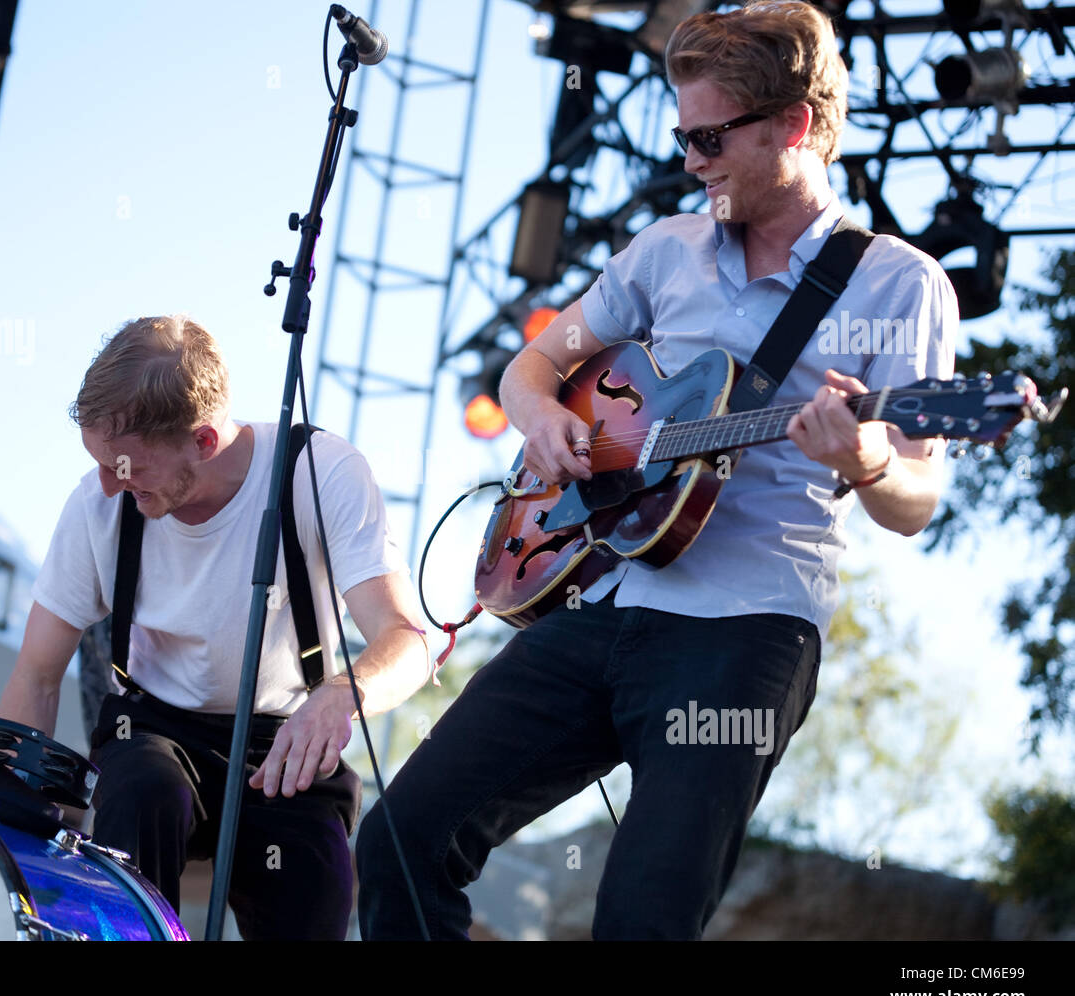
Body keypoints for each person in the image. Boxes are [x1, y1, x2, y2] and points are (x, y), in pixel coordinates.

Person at [356, 1, 958, 940]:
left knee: (642, 920)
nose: (689, 160)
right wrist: (546, 416)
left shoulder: (899, 282)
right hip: (600, 600)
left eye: (710, 137)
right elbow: (528, 368)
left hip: (745, 633)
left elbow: (918, 498)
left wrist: (872, 456)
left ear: (794, 125)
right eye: (681, 137)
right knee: (398, 836)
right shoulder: (664, 249)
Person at [0, 314, 430, 940]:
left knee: (313, 889)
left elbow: (407, 640)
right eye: (100, 463)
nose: (107, 484)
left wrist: (343, 692)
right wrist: (11, 822)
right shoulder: (98, 504)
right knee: (143, 790)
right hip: (153, 727)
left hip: (286, 738)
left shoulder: (322, 471)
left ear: (203, 441)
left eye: (128, 468)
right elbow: (36, 674)